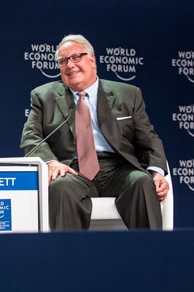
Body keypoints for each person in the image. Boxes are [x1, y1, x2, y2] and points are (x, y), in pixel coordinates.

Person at [20, 34, 170, 230]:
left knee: (142, 182)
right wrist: (51, 162)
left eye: (76, 57)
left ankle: (153, 256)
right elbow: (31, 137)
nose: (70, 65)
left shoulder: (128, 94)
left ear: (92, 60)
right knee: (61, 187)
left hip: (119, 169)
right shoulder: (43, 96)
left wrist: (156, 172)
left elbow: (149, 139)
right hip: (72, 170)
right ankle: (67, 257)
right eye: (63, 61)